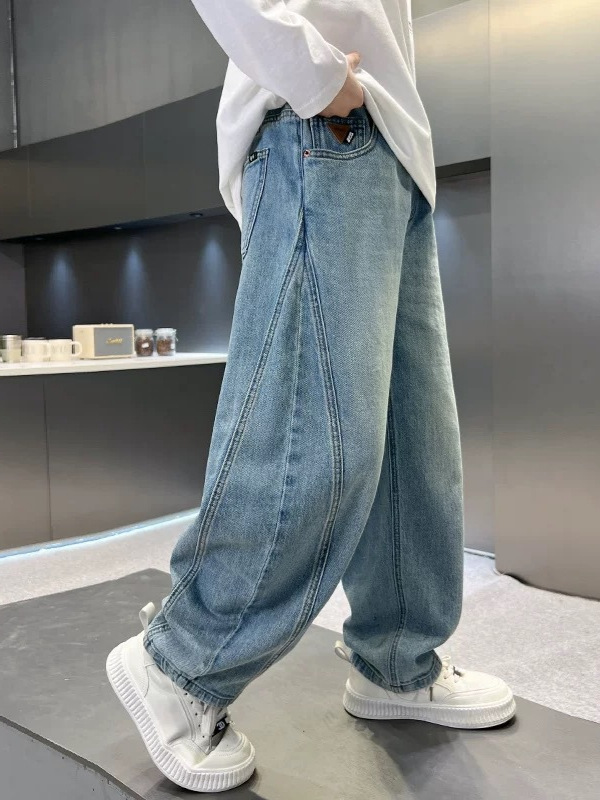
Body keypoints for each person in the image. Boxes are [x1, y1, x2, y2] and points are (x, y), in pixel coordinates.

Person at [106, 0, 516, 792]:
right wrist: (310, 71)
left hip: (391, 147)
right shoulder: (317, 93)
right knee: (314, 441)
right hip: (322, 125)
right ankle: (182, 662)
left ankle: (398, 662)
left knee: (414, 446)